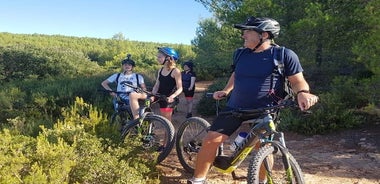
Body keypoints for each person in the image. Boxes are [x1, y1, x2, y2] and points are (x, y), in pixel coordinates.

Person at [187, 16, 319, 184]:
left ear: (263, 35)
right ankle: (198, 180)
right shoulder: (240, 54)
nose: (243, 35)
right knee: (211, 139)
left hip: (265, 110)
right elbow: (236, 74)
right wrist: (226, 90)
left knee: (264, 147)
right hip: (235, 107)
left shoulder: (283, 55)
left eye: (247, 32)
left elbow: (297, 80)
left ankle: (261, 181)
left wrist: (303, 92)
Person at [101, 54, 147, 120]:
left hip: (133, 98)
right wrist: (111, 91)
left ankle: (136, 125)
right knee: (119, 117)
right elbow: (104, 83)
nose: (127, 66)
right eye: (125, 65)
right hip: (119, 98)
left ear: (132, 67)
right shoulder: (117, 75)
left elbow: (144, 88)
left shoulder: (138, 77)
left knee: (135, 115)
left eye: (129, 65)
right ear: (122, 66)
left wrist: (141, 93)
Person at [151, 47, 183, 122]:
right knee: (163, 120)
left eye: (159, 57)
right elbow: (156, 85)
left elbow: (180, 88)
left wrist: (172, 96)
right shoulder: (160, 70)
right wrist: (152, 95)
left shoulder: (175, 71)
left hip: (169, 98)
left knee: (167, 120)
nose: (157, 58)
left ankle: (170, 133)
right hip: (161, 96)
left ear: (168, 58)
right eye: (157, 57)